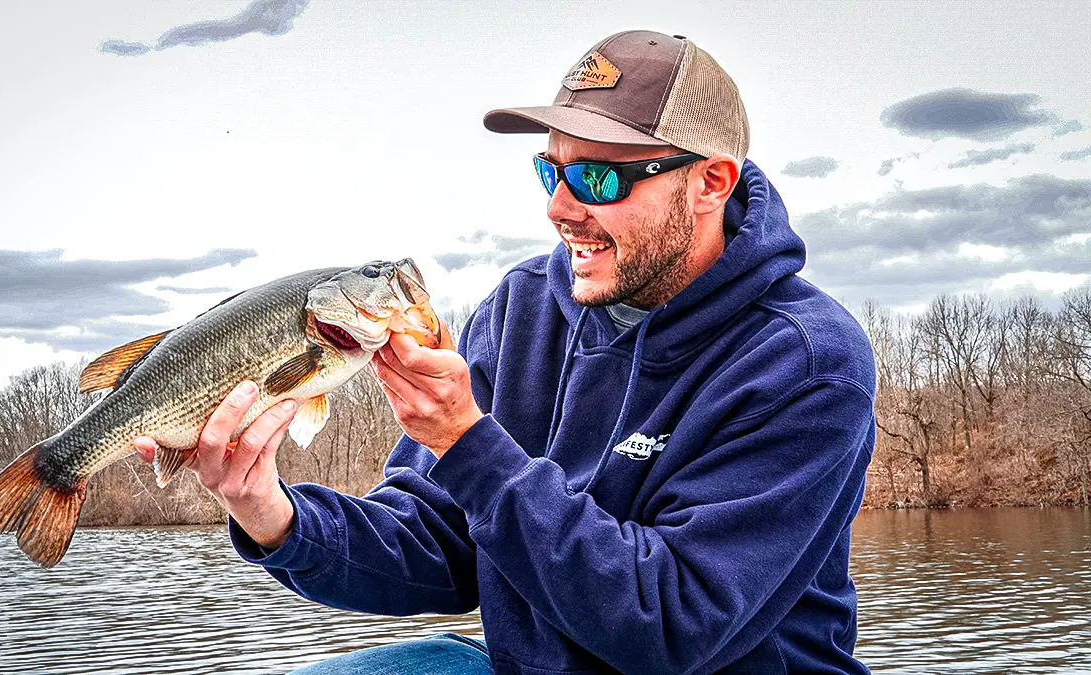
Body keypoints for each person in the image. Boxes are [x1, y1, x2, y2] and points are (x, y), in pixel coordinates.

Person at [136, 29, 876, 674]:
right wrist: (274, 515)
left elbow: (673, 625)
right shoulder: (523, 308)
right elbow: (436, 543)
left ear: (710, 182)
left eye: (598, 176)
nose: (559, 206)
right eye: (550, 170)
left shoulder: (805, 364)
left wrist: (469, 443)